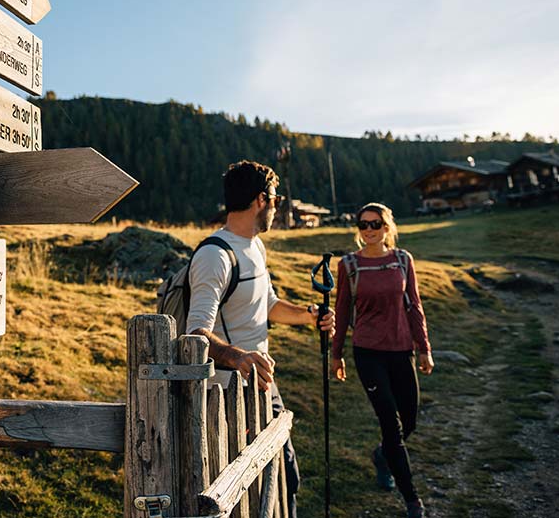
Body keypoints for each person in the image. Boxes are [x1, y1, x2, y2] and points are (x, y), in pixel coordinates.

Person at [186, 160, 335, 518]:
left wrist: (308, 315)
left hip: (262, 383)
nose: (278, 206)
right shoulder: (214, 256)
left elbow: (267, 306)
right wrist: (238, 357)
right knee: (250, 487)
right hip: (228, 395)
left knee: (285, 477)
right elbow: (194, 333)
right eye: (276, 199)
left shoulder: (254, 247)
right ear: (260, 200)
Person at [331, 202, 434, 518]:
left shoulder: (403, 260)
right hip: (368, 352)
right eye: (363, 225)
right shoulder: (349, 265)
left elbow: (414, 306)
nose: (369, 230)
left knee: (410, 422)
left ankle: (382, 455)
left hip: (402, 349)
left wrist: (424, 347)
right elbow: (343, 311)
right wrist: (337, 355)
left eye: (375, 224)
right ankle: (412, 500)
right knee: (392, 426)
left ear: (387, 226)